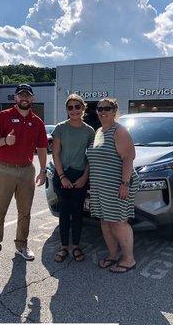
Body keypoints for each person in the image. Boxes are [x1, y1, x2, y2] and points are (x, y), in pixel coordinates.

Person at [0, 84, 48, 267]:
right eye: (21, 95)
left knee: (25, 212)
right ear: (15, 98)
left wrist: (43, 170)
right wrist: (6, 140)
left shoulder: (37, 122)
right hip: (4, 169)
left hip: (27, 170)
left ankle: (22, 246)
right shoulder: (2, 116)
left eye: (28, 96)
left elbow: (42, 148)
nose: (24, 98)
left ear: (32, 99)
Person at [86, 98, 139, 273]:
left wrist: (124, 184)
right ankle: (113, 254)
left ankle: (128, 259)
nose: (102, 111)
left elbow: (128, 158)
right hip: (101, 187)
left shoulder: (119, 131)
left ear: (114, 110)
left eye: (107, 108)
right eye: (99, 108)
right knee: (105, 221)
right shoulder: (99, 131)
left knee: (118, 222)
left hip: (117, 185)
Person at [52, 94, 95, 263]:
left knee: (78, 212)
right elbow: (55, 154)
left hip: (80, 175)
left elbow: (91, 156)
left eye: (77, 106)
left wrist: (85, 176)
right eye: (70, 107)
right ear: (66, 110)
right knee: (64, 212)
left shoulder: (89, 130)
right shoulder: (60, 128)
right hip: (62, 175)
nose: (74, 110)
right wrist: (62, 176)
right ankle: (64, 247)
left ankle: (76, 246)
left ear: (83, 108)